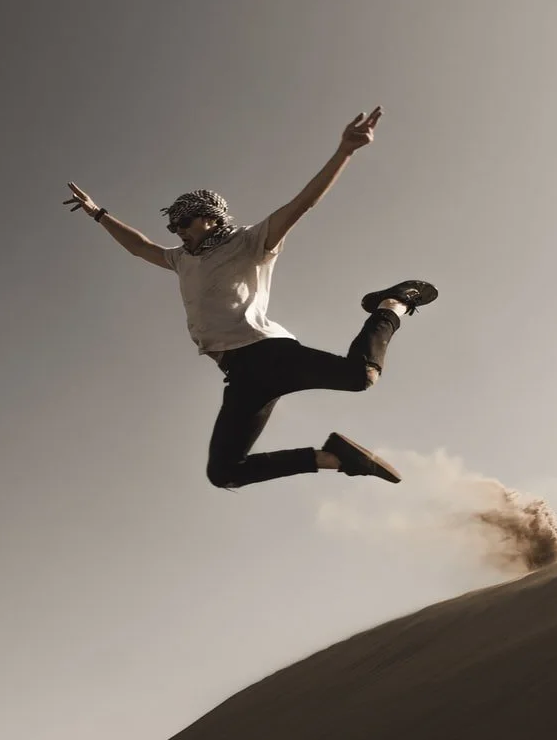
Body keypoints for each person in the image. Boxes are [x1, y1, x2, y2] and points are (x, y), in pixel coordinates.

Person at [63, 107, 436, 489]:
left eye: (184, 222)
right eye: (172, 226)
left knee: (361, 376)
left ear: (210, 217)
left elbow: (302, 204)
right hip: (240, 374)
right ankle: (334, 458)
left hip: (266, 354)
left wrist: (344, 151)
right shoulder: (181, 260)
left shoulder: (249, 242)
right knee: (223, 473)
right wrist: (98, 214)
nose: (178, 231)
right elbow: (140, 247)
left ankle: (392, 304)